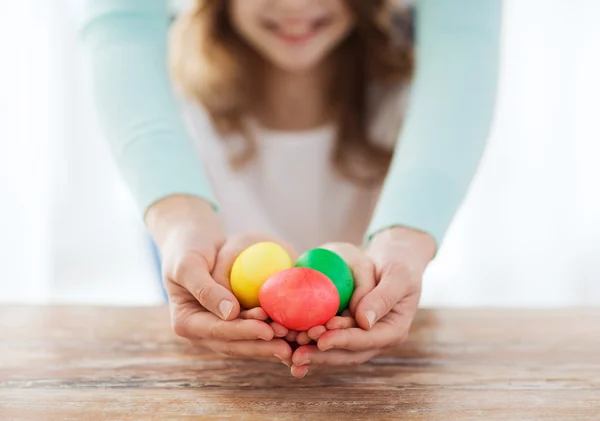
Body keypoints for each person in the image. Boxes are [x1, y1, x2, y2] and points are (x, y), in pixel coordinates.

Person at [79, 0, 501, 378]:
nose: (294, 5)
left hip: (372, 364)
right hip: (215, 366)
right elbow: (120, 21)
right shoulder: (174, 110)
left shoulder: (409, 106)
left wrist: (404, 245)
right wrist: (179, 224)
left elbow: (465, 27)